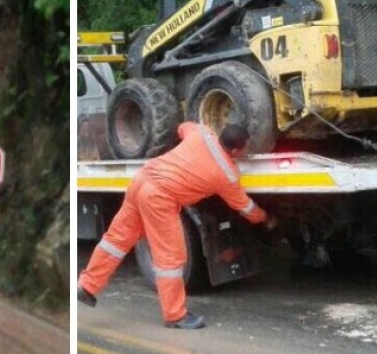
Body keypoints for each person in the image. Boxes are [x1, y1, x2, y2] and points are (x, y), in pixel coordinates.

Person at [78, 122, 275, 329]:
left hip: (141, 181)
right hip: (159, 199)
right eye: (245, 148)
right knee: (171, 257)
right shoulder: (226, 174)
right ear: (236, 150)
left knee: (115, 241)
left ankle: (87, 286)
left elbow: (183, 127)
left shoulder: (203, 133)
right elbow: (245, 207)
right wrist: (264, 218)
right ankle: (175, 316)